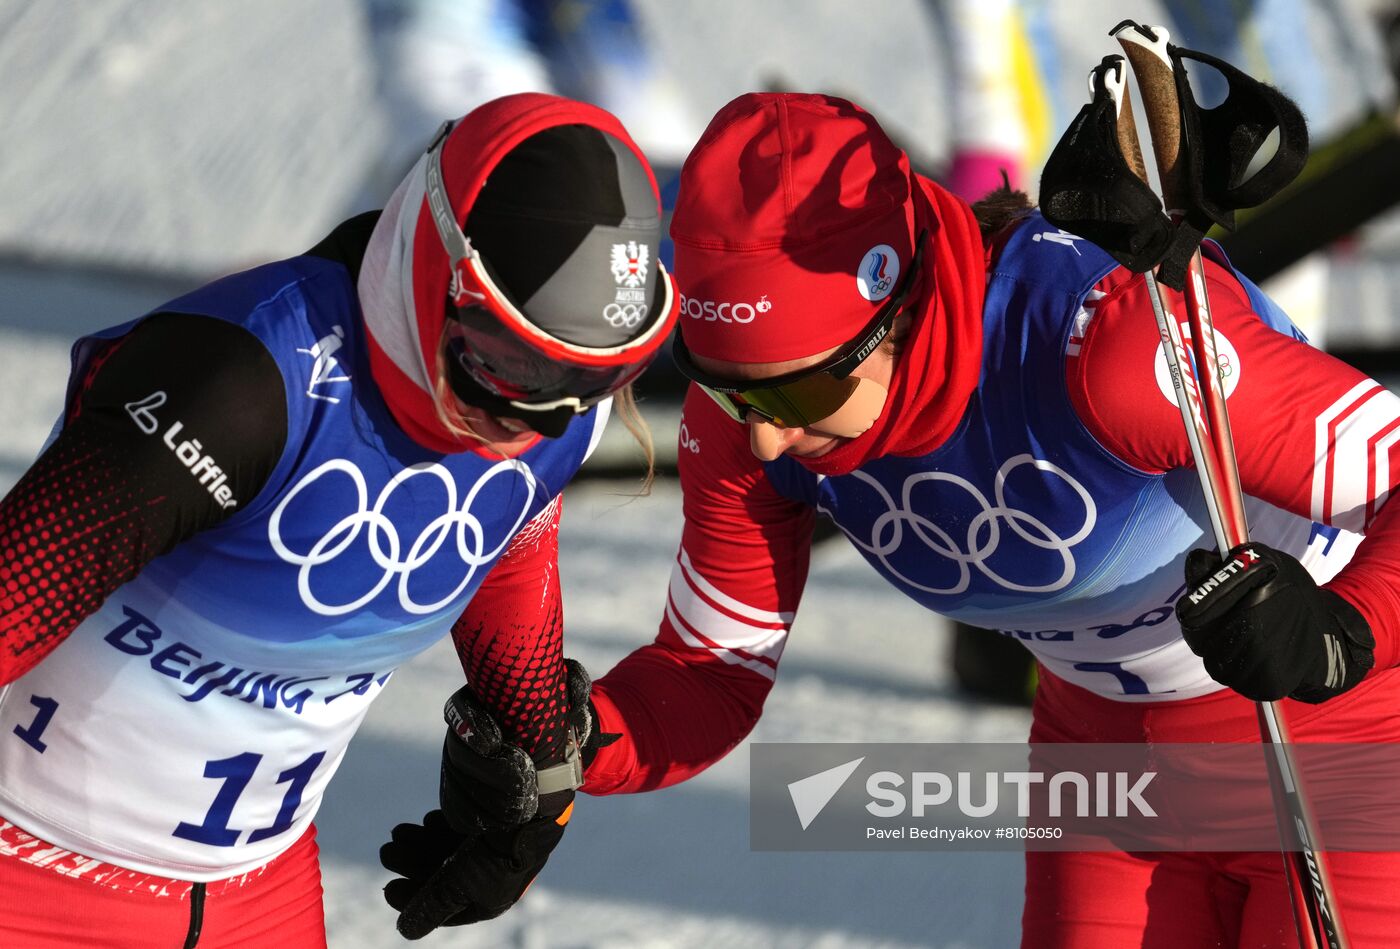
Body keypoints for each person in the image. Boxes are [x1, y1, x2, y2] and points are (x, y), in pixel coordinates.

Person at [561, 92, 1400, 946]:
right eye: (724, 382)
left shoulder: (1106, 351)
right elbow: (709, 671)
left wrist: (1350, 630)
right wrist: (561, 745)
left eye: (797, 389)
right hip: (1106, 777)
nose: (766, 435)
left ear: (896, 307)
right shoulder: (751, 422)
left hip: (1333, 741)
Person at [0, 91, 677, 947]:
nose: (533, 423)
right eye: (506, 367)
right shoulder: (241, 384)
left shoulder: (554, 408)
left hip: (259, 896)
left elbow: (504, 547)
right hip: (27, 880)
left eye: (593, 382)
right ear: (441, 270)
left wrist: (534, 769)